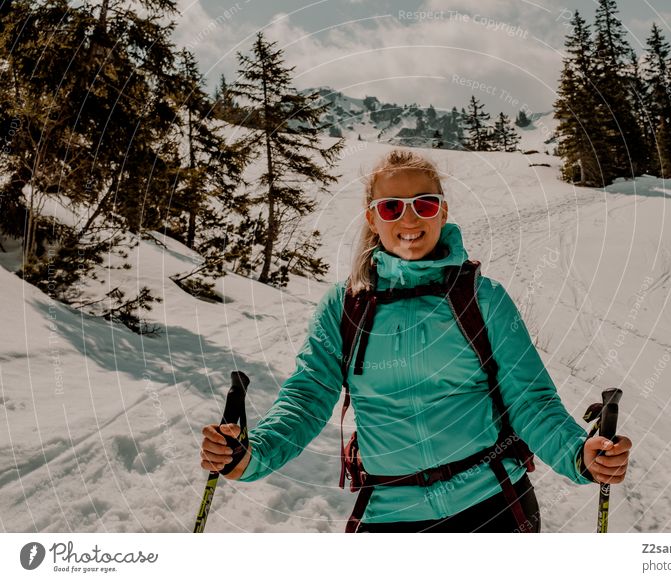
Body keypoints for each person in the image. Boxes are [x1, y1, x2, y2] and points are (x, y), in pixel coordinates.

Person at [200, 149, 632, 532]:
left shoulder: (483, 299)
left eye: (423, 204)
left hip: (495, 505)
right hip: (391, 514)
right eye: (391, 208)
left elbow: (530, 400)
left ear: (442, 212)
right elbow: (308, 396)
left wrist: (580, 453)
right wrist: (253, 456)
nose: (409, 219)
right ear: (372, 218)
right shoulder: (345, 307)